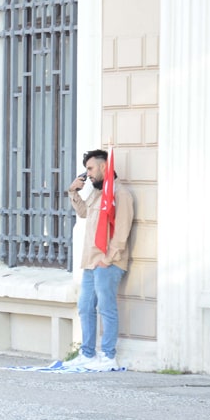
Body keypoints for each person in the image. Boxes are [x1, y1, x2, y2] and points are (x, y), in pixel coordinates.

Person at [65, 149, 134, 371]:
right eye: (86, 170)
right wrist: (73, 191)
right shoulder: (97, 193)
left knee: (106, 308)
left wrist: (108, 259)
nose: (88, 174)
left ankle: (108, 356)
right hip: (90, 261)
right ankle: (87, 354)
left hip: (108, 262)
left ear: (104, 166)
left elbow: (122, 230)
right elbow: (83, 212)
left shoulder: (120, 194)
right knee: (85, 307)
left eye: (91, 168)